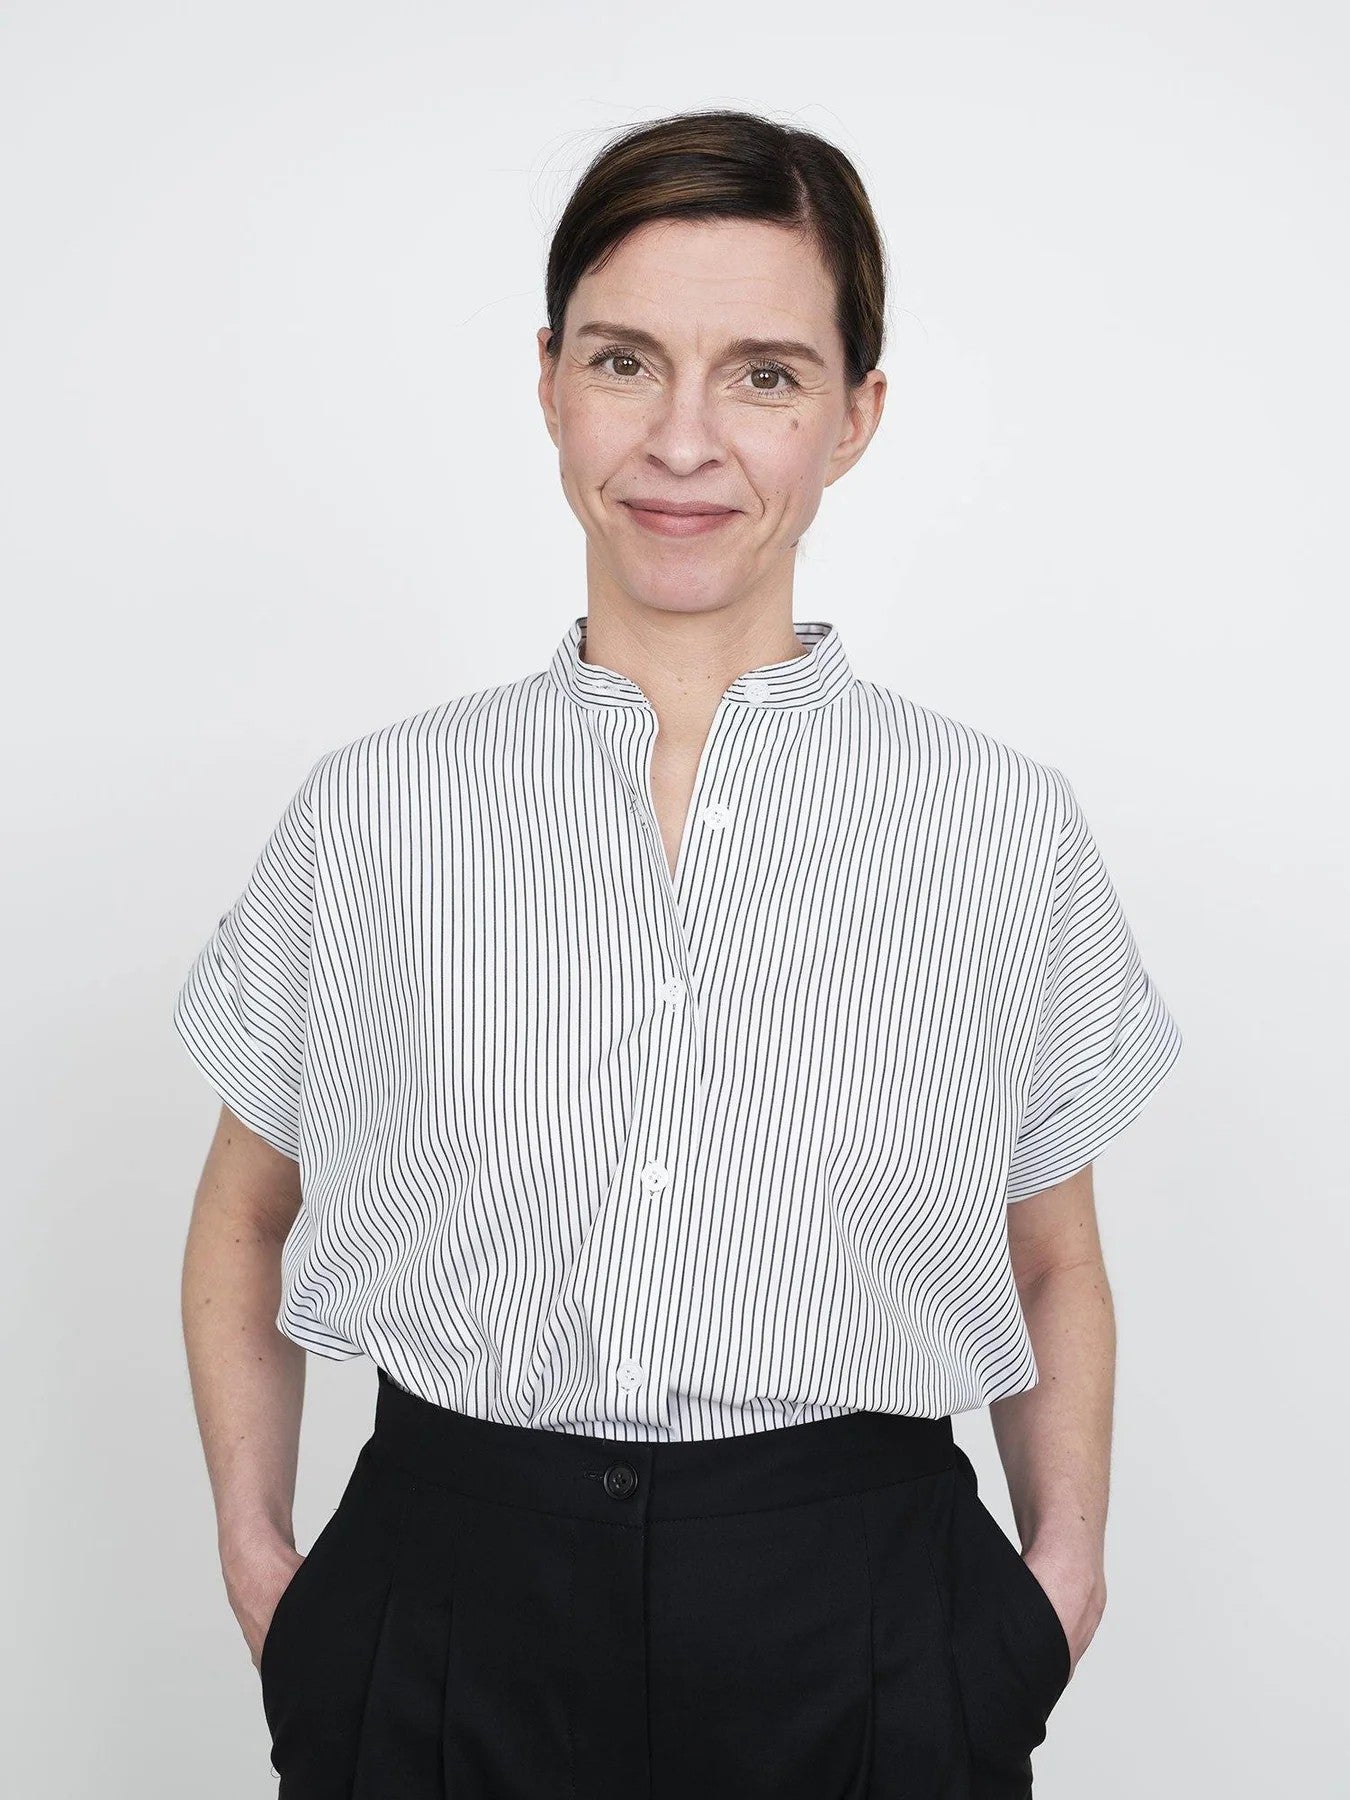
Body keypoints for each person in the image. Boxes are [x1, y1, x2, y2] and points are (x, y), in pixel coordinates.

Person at [174, 108, 1183, 1800]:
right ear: (549, 383)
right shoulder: (376, 810)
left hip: (864, 1613)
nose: (683, 440)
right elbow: (244, 1210)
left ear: (854, 416)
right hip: (443, 1598)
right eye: (625, 361)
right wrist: (266, 1562)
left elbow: (1048, 1258)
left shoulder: (1000, 824)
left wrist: (1054, 1585)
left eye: (764, 375)